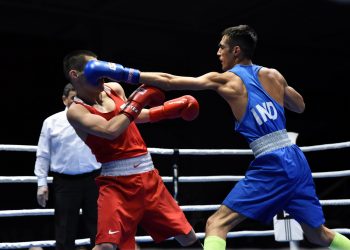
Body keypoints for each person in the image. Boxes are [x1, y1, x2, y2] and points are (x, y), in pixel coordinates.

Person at [82, 25, 350, 250]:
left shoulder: (227, 80)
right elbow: (300, 106)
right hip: (296, 159)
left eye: (222, 47)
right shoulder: (274, 75)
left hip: (273, 163)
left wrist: (119, 72)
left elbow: (169, 80)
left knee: (216, 224)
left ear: (236, 50)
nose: (218, 52)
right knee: (319, 235)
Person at [63, 50, 203, 250]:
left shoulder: (114, 88)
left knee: (187, 235)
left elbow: (133, 116)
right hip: (117, 184)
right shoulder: (77, 111)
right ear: (75, 75)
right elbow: (110, 130)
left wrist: (165, 112)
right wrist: (139, 99)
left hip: (148, 177)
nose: (102, 72)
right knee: (105, 246)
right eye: (95, 68)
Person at [34, 83, 101, 250]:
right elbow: (43, 154)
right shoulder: (51, 122)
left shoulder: (95, 117)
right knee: (65, 230)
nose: (77, 102)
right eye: (73, 98)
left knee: (99, 228)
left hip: (94, 180)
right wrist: (41, 183)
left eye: (80, 98)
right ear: (64, 100)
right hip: (65, 183)